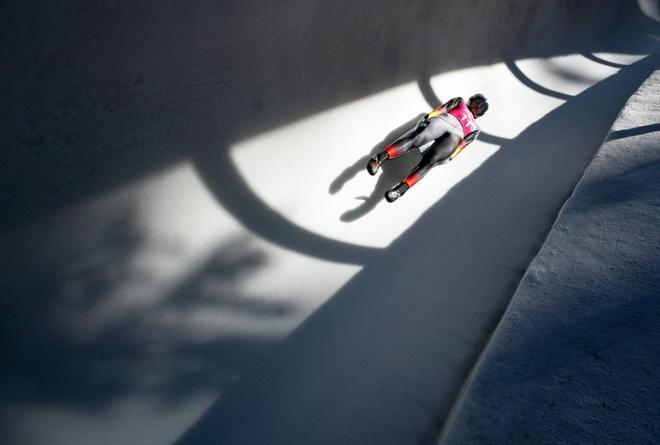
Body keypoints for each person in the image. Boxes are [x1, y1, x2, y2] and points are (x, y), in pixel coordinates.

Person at [367, 94, 489, 202]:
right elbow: (443, 109)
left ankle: (401, 189)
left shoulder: (476, 129)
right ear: (471, 100)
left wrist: (451, 156)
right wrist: (427, 118)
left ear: (481, 113)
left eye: (481, 106)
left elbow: (463, 145)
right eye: (477, 102)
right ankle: (379, 158)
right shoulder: (460, 101)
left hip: (455, 137)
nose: (478, 106)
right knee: (416, 139)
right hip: (444, 121)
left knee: (431, 161)